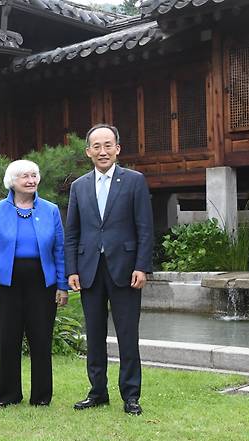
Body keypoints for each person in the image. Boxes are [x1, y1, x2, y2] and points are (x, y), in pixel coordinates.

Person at [65, 124, 153, 416]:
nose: (102, 151)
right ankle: (97, 392)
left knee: (128, 334)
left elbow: (145, 228)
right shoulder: (79, 186)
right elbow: (72, 232)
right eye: (96, 146)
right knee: (94, 333)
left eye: (108, 145)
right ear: (88, 151)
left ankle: (131, 396)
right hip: (89, 269)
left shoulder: (134, 181)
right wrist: (72, 269)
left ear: (117, 148)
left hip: (126, 270)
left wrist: (142, 266)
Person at [0, 159, 69, 409]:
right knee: (8, 340)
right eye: (24, 176)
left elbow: (60, 250)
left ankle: (41, 397)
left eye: (34, 175)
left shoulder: (50, 210)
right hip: (5, 285)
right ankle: (8, 395)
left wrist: (62, 285)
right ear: (12, 182)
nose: (31, 180)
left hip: (42, 283)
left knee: (41, 339)